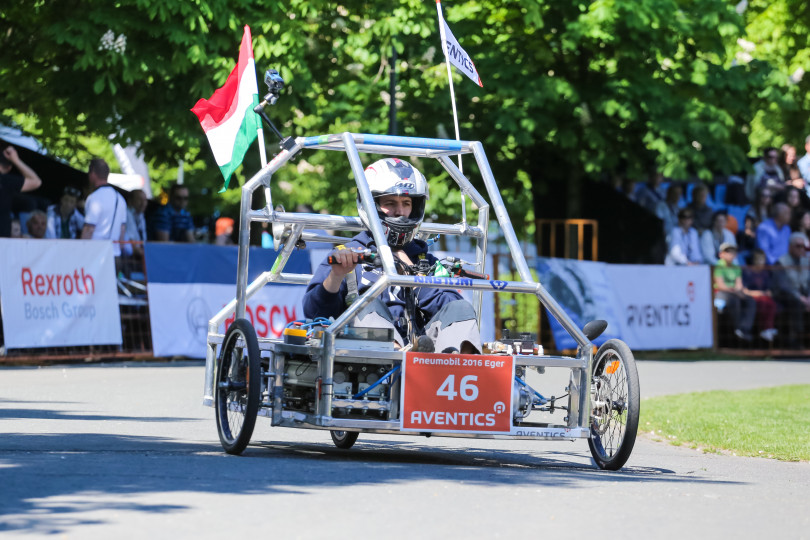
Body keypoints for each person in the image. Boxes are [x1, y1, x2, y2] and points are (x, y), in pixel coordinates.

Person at [303, 158, 482, 354]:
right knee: (367, 304)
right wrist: (336, 275)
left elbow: (451, 308)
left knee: (461, 308)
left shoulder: (425, 260)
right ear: (370, 205)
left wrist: (414, 280)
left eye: (406, 203)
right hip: (367, 365)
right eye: (390, 203)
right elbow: (315, 313)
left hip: (426, 355)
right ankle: (398, 359)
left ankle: (458, 371)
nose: (400, 212)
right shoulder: (348, 254)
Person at [81, 158, 127, 258]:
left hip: (95, 255)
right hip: (115, 255)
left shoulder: (94, 198)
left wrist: (81, 253)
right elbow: (122, 230)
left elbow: (89, 229)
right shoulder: (121, 199)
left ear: (92, 174)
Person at [773, 233, 810, 348]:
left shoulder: (806, 261)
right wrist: (801, 298)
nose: (801, 249)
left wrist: (808, 297)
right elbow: (784, 286)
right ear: (790, 246)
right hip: (785, 295)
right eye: (798, 246)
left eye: (803, 246)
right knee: (796, 303)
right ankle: (797, 339)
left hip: (804, 295)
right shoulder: (781, 262)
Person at [713, 243, 756, 342]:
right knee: (734, 301)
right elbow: (720, 285)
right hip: (720, 293)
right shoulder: (719, 265)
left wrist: (738, 291)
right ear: (721, 254)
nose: (730, 254)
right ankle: (735, 329)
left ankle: (744, 329)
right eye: (727, 252)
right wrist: (735, 291)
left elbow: (739, 284)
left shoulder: (736, 267)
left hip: (733, 292)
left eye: (733, 252)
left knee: (750, 301)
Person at [0, 146, 42, 237]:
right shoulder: (5, 181)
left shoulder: (5, 181)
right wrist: (16, 160)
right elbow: (36, 182)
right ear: (9, 168)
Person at [741, 248, 778, 342]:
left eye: (763, 259)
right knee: (764, 304)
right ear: (754, 260)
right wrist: (758, 293)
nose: (761, 262)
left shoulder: (765, 272)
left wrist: (769, 292)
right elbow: (745, 290)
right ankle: (763, 329)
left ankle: (767, 329)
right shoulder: (747, 271)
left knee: (771, 304)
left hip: (764, 297)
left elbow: (769, 287)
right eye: (759, 259)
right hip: (752, 297)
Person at [124, 189, 148, 258]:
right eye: (139, 200)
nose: (143, 203)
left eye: (145, 200)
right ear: (131, 201)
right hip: (130, 257)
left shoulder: (140, 215)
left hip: (140, 254)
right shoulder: (126, 214)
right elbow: (132, 244)